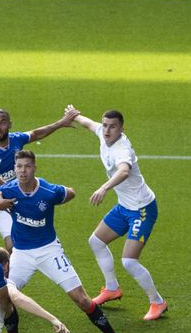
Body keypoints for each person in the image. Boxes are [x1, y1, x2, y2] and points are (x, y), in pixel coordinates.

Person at [0, 150, 139, 333]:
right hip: (21, 254)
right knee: (4, 298)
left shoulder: (48, 192)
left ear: (35, 167)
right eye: (19, 166)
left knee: (82, 300)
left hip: (49, 251)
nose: (22, 171)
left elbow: (70, 192)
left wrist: (58, 200)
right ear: (14, 168)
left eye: (27, 166)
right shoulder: (8, 190)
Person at [0, 107, 80, 333]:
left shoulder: (18, 141)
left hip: (14, 203)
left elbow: (37, 133)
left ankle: (7, 291)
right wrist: (1, 191)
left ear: (9, 124)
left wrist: (62, 122)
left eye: (3, 123)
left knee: (12, 244)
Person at [68, 106, 167, 321]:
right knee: (96, 241)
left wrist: (104, 188)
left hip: (142, 209)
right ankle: (112, 288)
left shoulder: (122, 149)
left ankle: (157, 302)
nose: (106, 130)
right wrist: (75, 116)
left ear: (122, 129)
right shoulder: (103, 135)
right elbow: (88, 124)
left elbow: (124, 170)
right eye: (105, 125)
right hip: (125, 206)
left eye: (112, 127)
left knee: (129, 261)